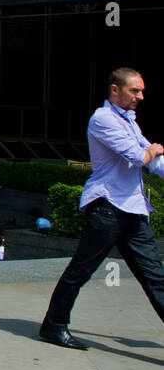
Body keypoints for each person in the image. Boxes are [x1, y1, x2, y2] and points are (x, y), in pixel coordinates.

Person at [39, 68, 164, 349]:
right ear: (115, 90)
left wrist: (153, 154)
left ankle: (53, 325)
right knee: (80, 271)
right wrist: (153, 150)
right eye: (135, 90)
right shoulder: (103, 119)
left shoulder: (131, 122)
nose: (141, 96)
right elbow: (139, 156)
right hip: (107, 209)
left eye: (142, 90)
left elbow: (155, 163)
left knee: (156, 278)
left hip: (133, 211)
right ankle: (53, 326)